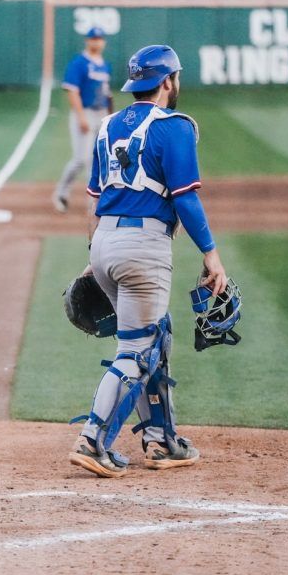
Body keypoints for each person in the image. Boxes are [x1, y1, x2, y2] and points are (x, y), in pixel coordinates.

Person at [68, 45, 227, 478]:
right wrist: (211, 254)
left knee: (155, 339)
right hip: (143, 248)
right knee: (138, 351)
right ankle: (92, 440)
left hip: (104, 243)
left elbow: (95, 202)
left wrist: (93, 259)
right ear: (168, 81)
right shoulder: (174, 126)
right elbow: (186, 198)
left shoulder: (105, 127)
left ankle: (161, 440)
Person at [53, 27, 112, 213]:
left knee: (98, 160)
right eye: (94, 38)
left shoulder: (104, 64)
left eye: (100, 38)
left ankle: (93, 202)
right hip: (84, 112)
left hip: (101, 113)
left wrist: (111, 116)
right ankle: (60, 193)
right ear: (87, 41)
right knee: (81, 159)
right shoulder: (79, 63)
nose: (97, 42)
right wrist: (80, 117)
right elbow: (72, 91)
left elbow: (106, 93)